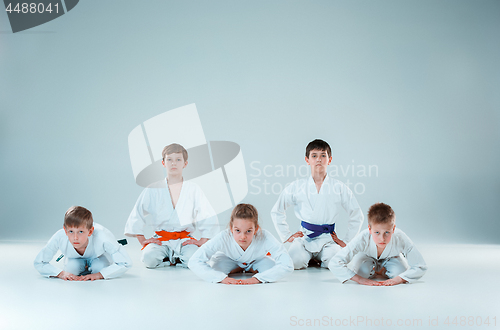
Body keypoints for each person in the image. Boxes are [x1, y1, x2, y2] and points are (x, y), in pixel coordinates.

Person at [271, 139, 364, 269]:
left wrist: (347, 241)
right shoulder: (297, 186)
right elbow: (277, 211)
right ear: (307, 160)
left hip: (328, 239)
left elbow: (357, 215)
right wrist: (287, 236)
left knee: (335, 262)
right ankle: (310, 258)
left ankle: (317, 258)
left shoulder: (339, 187)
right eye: (314, 156)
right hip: (304, 237)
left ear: (330, 160)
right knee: (294, 261)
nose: (318, 159)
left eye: (323, 155)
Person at [125, 143, 219, 268]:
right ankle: (170, 259)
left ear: (185, 163)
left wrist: (202, 240)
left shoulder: (193, 189)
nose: (173, 163)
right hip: (161, 239)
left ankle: (177, 259)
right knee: (148, 259)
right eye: (169, 159)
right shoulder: (153, 189)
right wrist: (142, 239)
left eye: (178, 159)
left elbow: (207, 214)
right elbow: (137, 212)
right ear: (163, 163)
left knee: (194, 259)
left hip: (184, 239)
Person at [188, 204, 293, 284]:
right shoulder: (223, 237)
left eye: (248, 231)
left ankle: (250, 268)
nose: (243, 237)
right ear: (231, 228)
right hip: (229, 260)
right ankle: (237, 267)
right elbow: (194, 261)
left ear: (256, 229)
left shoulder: (264, 236)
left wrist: (258, 279)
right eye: (237, 230)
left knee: (271, 268)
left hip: (257, 261)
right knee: (216, 269)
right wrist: (221, 278)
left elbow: (287, 265)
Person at [328, 202, 427, 286]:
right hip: (366, 257)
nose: (382, 238)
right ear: (370, 229)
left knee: (400, 273)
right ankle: (374, 271)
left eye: (387, 232)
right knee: (362, 272)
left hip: (391, 258)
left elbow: (421, 265)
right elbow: (335, 262)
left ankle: (381, 270)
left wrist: (399, 279)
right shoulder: (363, 238)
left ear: (393, 229)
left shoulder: (400, 237)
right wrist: (360, 279)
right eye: (377, 232)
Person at [34, 206, 132, 280]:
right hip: (74, 258)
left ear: (90, 231)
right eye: (71, 231)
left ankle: (94, 267)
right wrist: (60, 273)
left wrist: (99, 275)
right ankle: (81, 265)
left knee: (99, 268)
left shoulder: (103, 237)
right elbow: (39, 262)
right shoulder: (60, 237)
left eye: (81, 232)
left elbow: (126, 263)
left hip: (97, 257)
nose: (75, 238)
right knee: (71, 270)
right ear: (65, 230)